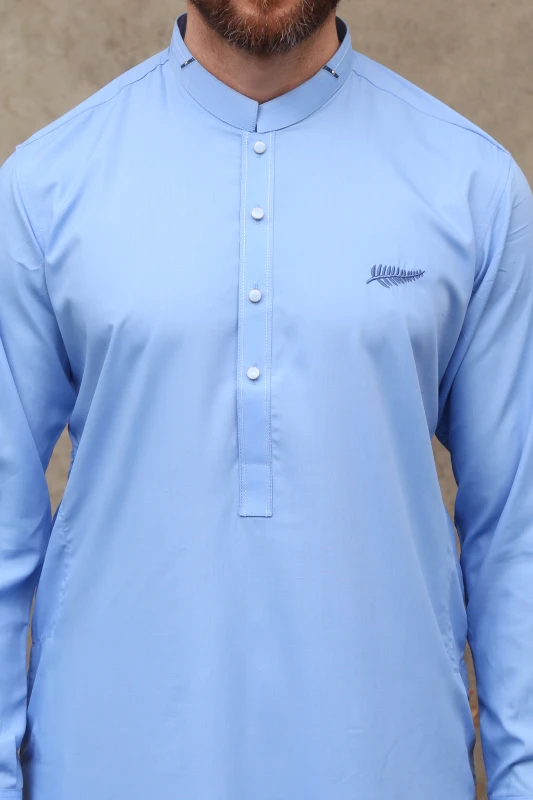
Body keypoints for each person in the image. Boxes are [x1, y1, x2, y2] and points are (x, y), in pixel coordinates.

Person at [0, 2, 532, 799]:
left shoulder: (473, 186)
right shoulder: (44, 186)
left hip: (388, 768)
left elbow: (514, 532)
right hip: (110, 766)